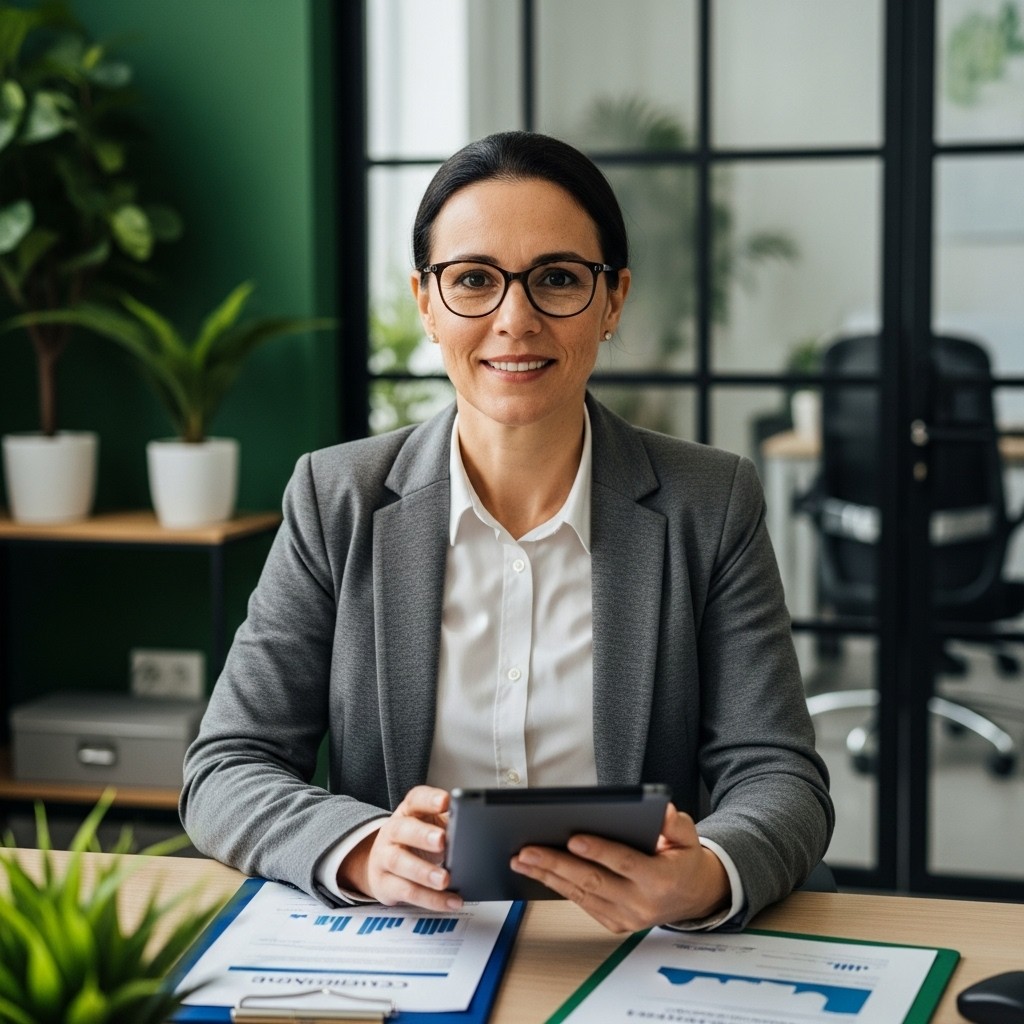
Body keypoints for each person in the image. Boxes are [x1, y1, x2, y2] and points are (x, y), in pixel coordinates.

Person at [181, 130, 834, 935]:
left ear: (613, 301)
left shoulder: (711, 503)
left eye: (557, 278)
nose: (514, 319)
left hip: (630, 952)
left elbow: (780, 776)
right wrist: (360, 849)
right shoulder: (336, 497)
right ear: (426, 302)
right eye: (474, 281)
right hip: (412, 946)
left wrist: (703, 878)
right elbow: (227, 767)